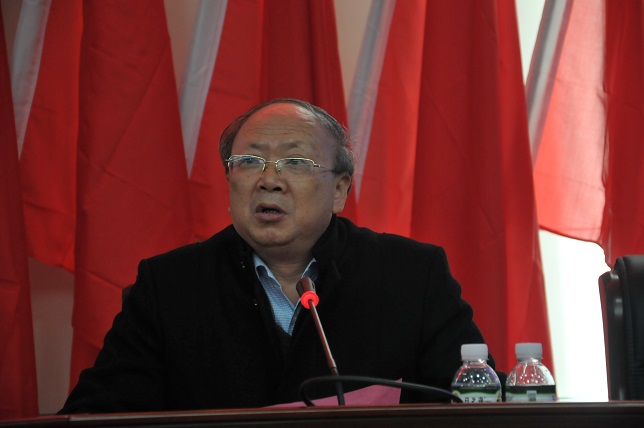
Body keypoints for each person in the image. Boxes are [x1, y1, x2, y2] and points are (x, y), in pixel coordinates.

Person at [59, 98, 495, 413]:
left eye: (296, 163)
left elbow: (477, 405)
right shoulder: (170, 286)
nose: (269, 180)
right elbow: (97, 415)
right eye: (249, 161)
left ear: (340, 189)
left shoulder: (411, 276)